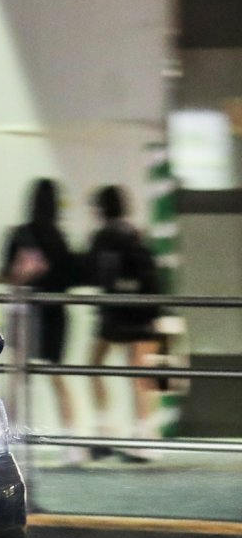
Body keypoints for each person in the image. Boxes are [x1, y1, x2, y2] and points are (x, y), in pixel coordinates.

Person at [0, 179, 81, 441]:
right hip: (55, 313)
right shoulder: (61, 239)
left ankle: (7, 434)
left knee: (16, 376)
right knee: (57, 375)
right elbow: (70, 277)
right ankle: (73, 441)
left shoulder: (19, 234)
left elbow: (7, 274)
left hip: (25, 311)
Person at [84, 185, 162, 460]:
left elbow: (92, 273)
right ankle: (145, 436)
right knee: (139, 375)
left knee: (93, 366)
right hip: (141, 312)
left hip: (115, 313)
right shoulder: (136, 233)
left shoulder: (102, 237)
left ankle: (105, 428)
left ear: (102, 209)